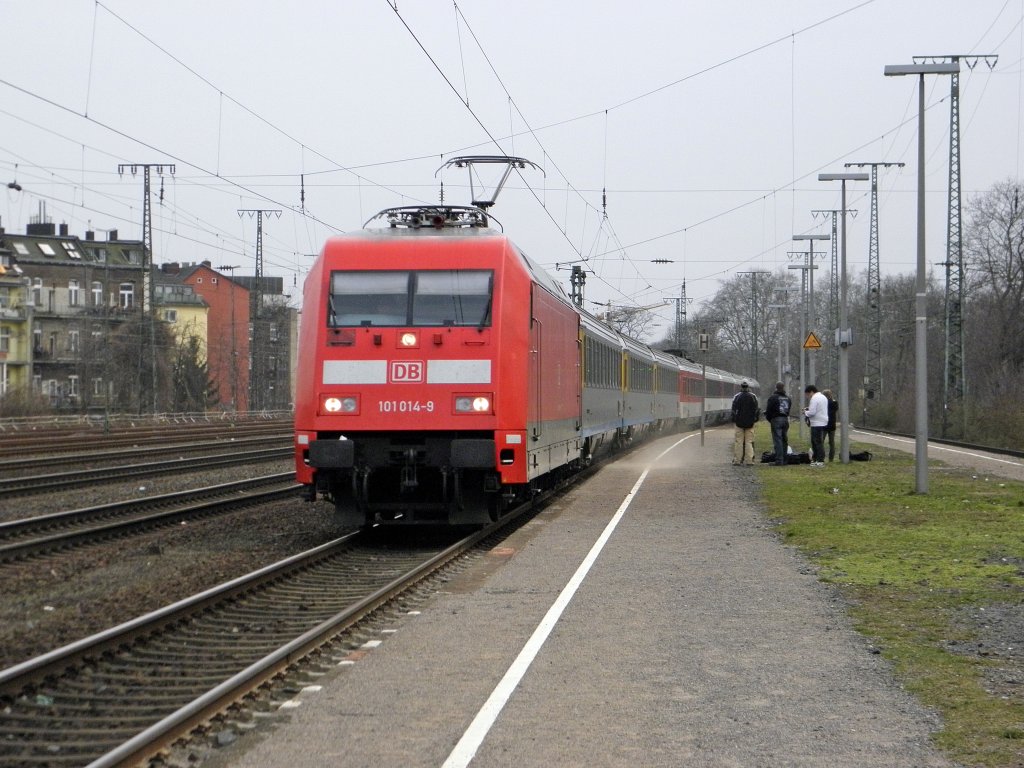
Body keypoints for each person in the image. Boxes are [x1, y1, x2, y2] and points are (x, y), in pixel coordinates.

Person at [731, 381, 760, 465]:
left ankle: (737, 460)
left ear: (741, 387)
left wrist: (734, 419)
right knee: (749, 442)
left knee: (739, 442)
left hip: (739, 423)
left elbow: (733, 410)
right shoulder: (753, 396)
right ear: (748, 387)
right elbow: (756, 409)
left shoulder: (736, 397)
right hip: (750, 423)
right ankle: (750, 460)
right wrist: (755, 419)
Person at [764, 381, 792, 466]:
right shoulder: (788, 398)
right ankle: (785, 459)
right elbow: (788, 409)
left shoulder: (773, 397)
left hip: (776, 419)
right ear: (783, 387)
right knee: (784, 440)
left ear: (776, 387)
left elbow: (768, 410)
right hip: (785, 419)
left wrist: (770, 419)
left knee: (778, 440)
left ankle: (779, 460)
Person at [803, 384, 828, 466]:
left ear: (811, 392)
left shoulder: (814, 398)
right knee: (819, 441)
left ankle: (819, 460)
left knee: (816, 442)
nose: (808, 396)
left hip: (816, 423)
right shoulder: (823, 397)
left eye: (808, 394)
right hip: (823, 421)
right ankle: (816, 459)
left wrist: (805, 412)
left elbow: (812, 412)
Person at [822, 388, 839, 462]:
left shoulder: (823, 403)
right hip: (832, 425)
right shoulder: (835, 403)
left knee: (821, 442)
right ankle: (831, 458)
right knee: (832, 443)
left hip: (824, 424)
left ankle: (822, 457)